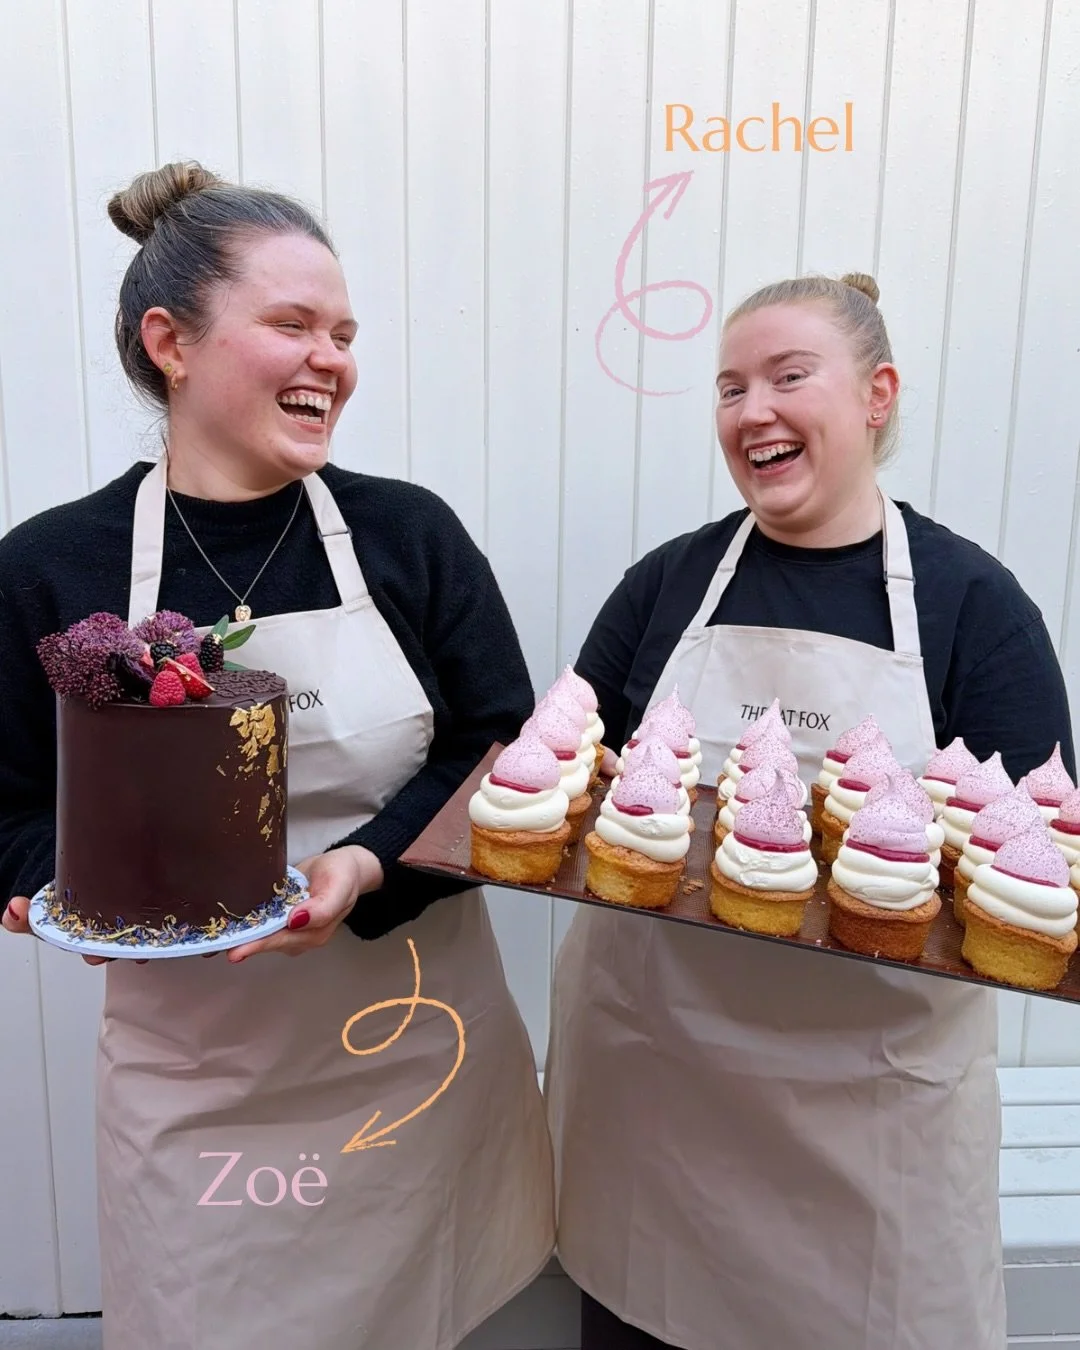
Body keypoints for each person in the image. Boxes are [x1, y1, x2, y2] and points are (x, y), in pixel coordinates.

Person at [0, 161, 554, 1350]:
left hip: (417, 1051)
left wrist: (361, 869)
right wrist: (71, 891)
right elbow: (5, 803)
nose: (332, 359)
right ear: (172, 343)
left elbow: (498, 751)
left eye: (345, 333)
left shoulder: (410, 534)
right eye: (292, 324)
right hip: (197, 1080)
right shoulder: (54, 567)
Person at [545, 271, 1075, 1350]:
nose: (753, 412)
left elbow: (1032, 860)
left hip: (867, 1117)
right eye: (730, 388)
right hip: (660, 1089)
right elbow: (571, 773)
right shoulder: (669, 584)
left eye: (789, 377)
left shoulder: (974, 603)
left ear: (877, 395)